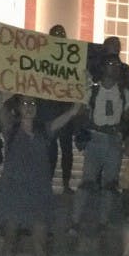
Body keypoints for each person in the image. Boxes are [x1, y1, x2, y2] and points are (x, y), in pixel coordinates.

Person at [0, 89, 80, 256]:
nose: (29, 107)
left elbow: (70, 114)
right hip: (13, 192)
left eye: (33, 103)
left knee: (40, 244)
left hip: (39, 193)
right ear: (18, 107)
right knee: (10, 241)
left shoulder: (44, 130)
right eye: (25, 103)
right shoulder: (10, 129)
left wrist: (80, 95)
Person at [69, 52, 129, 240]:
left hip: (113, 139)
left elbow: (126, 118)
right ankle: (75, 221)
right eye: (110, 64)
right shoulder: (92, 91)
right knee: (87, 180)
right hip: (95, 137)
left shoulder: (124, 93)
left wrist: (121, 131)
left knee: (110, 183)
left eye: (116, 64)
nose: (114, 67)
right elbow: (82, 114)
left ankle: (103, 222)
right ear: (103, 67)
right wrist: (81, 135)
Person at [39, 25, 77, 194]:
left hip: (65, 109)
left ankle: (66, 184)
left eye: (62, 34)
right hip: (49, 109)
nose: (59, 37)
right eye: (56, 35)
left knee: (67, 149)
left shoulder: (72, 58)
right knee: (51, 149)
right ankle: (47, 182)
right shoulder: (43, 58)